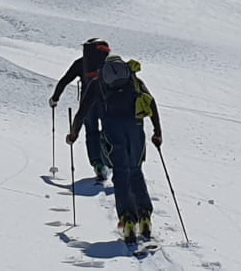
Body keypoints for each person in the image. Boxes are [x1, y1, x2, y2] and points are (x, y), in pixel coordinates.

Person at [66, 55, 162, 244]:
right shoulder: (133, 78)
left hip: (112, 130)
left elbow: (83, 110)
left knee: (120, 173)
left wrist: (74, 133)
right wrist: (157, 132)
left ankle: (127, 220)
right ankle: (144, 217)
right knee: (135, 171)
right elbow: (151, 102)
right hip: (135, 130)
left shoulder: (98, 82)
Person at [50, 38, 111, 180]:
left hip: (87, 101)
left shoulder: (81, 63)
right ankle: (112, 161)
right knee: (110, 130)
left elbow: (65, 80)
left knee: (91, 132)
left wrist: (55, 98)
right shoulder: (109, 64)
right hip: (107, 101)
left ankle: (98, 164)